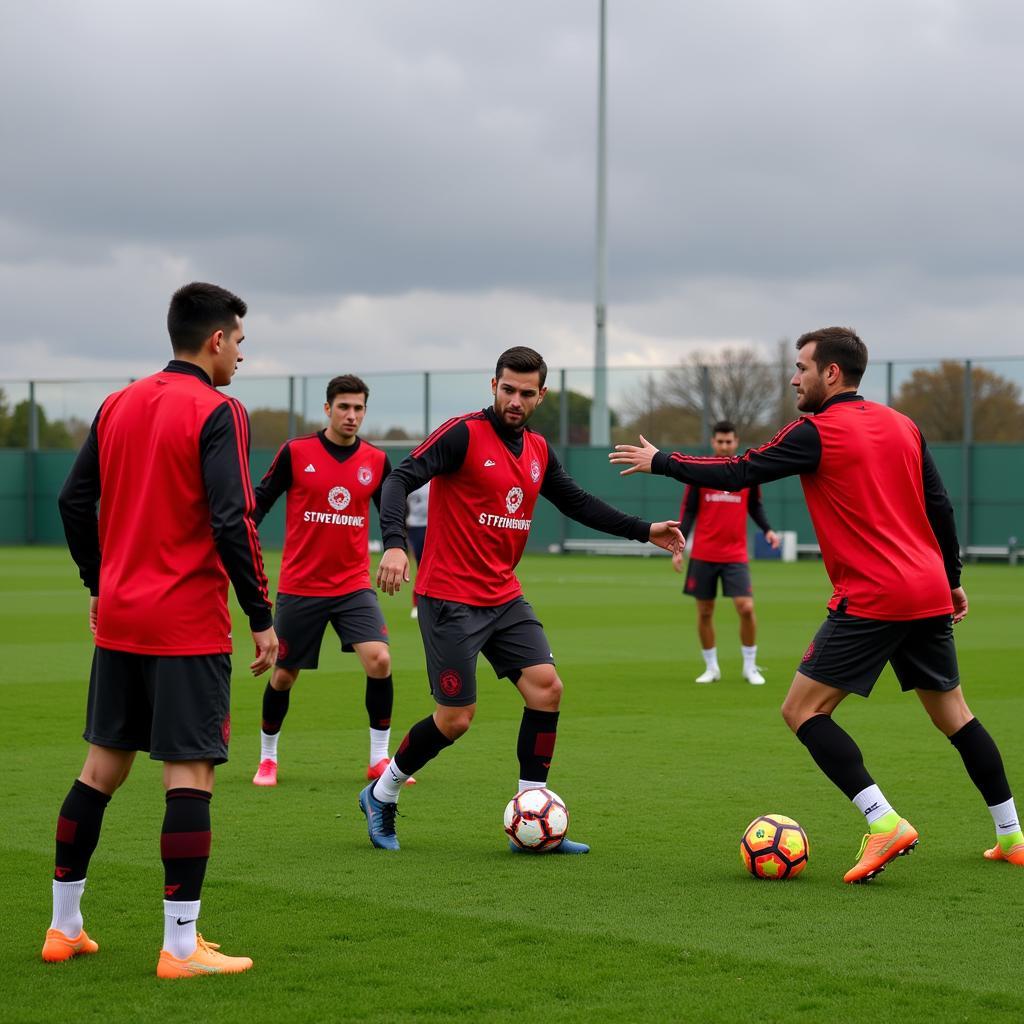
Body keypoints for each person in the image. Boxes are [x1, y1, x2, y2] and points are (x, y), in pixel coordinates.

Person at [610, 327, 1024, 883]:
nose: (793, 377)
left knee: (801, 711)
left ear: (831, 373)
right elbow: (941, 506)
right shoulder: (905, 426)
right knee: (955, 716)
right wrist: (951, 579)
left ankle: (884, 823)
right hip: (926, 590)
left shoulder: (817, 431)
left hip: (875, 596)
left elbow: (739, 471)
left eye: (801, 367)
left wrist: (663, 461)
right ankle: (1012, 836)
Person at [361, 346, 684, 853]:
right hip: (448, 597)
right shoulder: (463, 433)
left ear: (541, 395)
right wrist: (397, 545)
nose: (515, 400)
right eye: (507, 389)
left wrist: (646, 531)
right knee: (456, 719)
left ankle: (531, 814)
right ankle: (382, 793)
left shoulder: (537, 449)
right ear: (493, 385)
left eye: (525, 393)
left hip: (503, 596)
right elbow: (399, 478)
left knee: (545, 689)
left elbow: (577, 502)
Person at [49, 282, 278, 977]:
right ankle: (181, 947)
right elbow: (231, 519)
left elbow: (71, 499)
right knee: (190, 774)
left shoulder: (118, 402)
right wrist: (262, 617)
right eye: (238, 341)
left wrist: (100, 582)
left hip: (120, 618)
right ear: (215, 340)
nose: (241, 353)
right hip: (186, 623)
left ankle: (64, 928)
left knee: (100, 768)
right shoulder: (218, 409)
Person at [250, 374, 413, 789]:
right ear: (327, 409)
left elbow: (391, 512)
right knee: (284, 675)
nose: (351, 415)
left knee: (379, 659)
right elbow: (260, 502)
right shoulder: (295, 452)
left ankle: (379, 759)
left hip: (352, 586)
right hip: (301, 585)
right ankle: (268, 758)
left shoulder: (376, 461)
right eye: (344, 407)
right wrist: (235, 539)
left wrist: (396, 546)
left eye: (358, 408)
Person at [673, 420, 780, 685]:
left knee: (746, 608)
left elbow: (755, 506)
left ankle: (750, 667)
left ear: (735, 441)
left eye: (728, 441)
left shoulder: (746, 473)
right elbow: (689, 510)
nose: (724, 446)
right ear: (713, 443)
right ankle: (711, 668)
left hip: (735, 554)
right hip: (704, 554)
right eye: (719, 441)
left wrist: (767, 529)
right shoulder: (700, 472)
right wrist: (679, 543)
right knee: (705, 612)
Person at [405, 480, 430, 619]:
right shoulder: (413, 478)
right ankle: (417, 604)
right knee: (421, 566)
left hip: (434, 524)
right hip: (415, 527)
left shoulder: (437, 479)